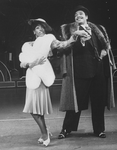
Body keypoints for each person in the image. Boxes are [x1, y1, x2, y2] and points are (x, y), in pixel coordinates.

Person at [58, 5, 116, 139]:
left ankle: (99, 130)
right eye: (75, 15)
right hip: (80, 71)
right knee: (75, 102)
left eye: (81, 14)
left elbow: (106, 46)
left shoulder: (99, 29)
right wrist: (78, 38)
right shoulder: (70, 31)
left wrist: (104, 52)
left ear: (87, 17)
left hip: (98, 71)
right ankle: (66, 129)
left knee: (98, 102)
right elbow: (64, 50)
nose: (78, 16)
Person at [19, 18, 75, 146]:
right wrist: (31, 63)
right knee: (35, 110)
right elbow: (22, 63)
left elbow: (61, 44)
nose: (40, 29)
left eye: (42, 27)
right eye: (37, 28)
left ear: (45, 28)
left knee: (35, 110)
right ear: (34, 31)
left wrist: (72, 39)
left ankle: (45, 134)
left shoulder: (49, 38)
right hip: (31, 77)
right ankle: (45, 131)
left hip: (42, 76)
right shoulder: (28, 45)